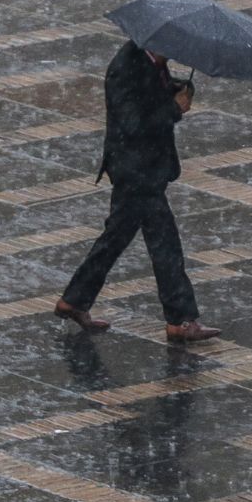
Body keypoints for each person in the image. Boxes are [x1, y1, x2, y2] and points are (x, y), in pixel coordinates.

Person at [55, 40, 220, 343]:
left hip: (145, 169)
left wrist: (173, 89)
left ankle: (75, 300)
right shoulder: (126, 67)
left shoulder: (152, 61)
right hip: (136, 172)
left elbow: (147, 100)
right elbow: (131, 123)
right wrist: (173, 108)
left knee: (116, 238)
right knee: (164, 245)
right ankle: (180, 320)